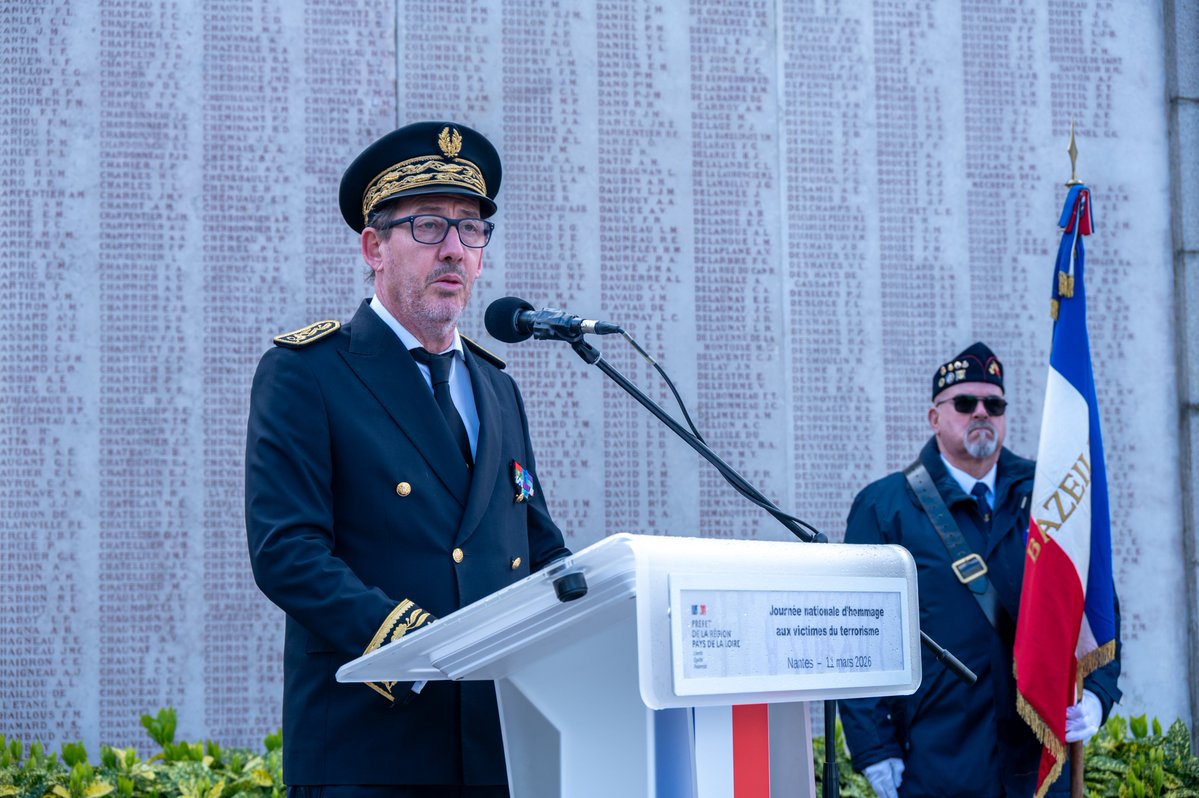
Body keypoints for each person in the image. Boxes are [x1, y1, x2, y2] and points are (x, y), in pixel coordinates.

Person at [245, 120, 570, 798]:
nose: (453, 249)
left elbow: (536, 548)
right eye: (428, 226)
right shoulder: (308, 372)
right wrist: (421, 647)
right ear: (374, 246)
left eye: (471, 229)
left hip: (495, 743)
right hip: (372, 742)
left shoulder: (497, 388)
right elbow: (288, 552)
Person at [838, 342, 1121, 798]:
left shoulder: (1051, 497)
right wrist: (874, 748)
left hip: (1039, 764)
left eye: (994, 404)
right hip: (939, 761)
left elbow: (1097, 604)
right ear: (935, 417)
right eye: (965, 403)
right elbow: (856, 638)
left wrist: (1099, 693)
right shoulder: (885, 507)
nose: (981, 413)